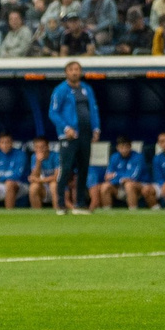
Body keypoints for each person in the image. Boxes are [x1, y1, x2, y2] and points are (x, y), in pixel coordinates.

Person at [47, 57, 97, 215]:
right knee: (66, 169)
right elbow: (53, 112)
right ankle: (60, 205)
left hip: (85, 134)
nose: (75, 72)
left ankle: (80, 204)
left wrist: (96, 128)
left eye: (77, 69)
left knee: (84, 168)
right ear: (66, 72)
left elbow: (94, 110)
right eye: (72, 70)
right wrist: (66, 127)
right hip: (68, 136)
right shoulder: (61, 90)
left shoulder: (86, 89)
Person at [0, 133, 30, 207]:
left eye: (7, 142)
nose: (5, 145)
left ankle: (9, 213)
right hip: (1, 184)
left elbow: (17, 175)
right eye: (2, 142)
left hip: (20, 184)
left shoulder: (20, 155)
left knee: (9, 183)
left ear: (12, 143)